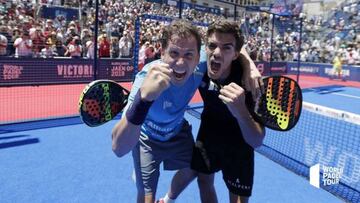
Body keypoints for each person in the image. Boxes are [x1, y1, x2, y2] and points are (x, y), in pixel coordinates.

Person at [112, 20, 261, 203]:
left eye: (189, 55)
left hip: (177, 133)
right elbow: (118, 149)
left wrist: (250, 67)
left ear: (199, 57)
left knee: (196, 167)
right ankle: (145, 174)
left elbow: (232, 45)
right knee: (146, 197)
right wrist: (143, 100)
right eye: (174, 53)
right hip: (146, 138)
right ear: (162, 52)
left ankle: (167, 199)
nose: (181, 62)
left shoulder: (207, 63)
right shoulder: (146, 78)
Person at [158, 21, 265, 203]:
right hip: (210, 132)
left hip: (239, 143)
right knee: (204, 179)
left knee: (238, 198)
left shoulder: (249, 82)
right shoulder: (198, 66)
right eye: (212, 46)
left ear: (235, 55)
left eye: (226, 48)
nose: (217, 53)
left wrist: (240, 111)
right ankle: (166, 199)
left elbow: (256, 140)